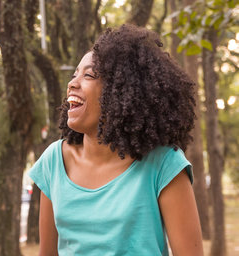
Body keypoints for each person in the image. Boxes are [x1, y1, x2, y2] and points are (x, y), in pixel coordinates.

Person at [30, 24, 204, 255]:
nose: (73, 83)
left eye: (89, 75)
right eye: (75, 75)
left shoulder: (164, 164)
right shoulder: (54, 160)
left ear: (121, 91)